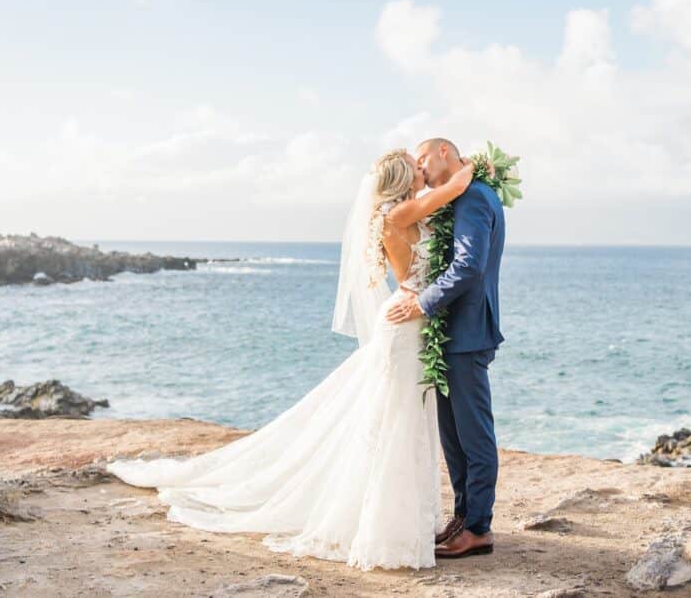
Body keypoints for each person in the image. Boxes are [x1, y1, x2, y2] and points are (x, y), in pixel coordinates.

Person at [108, 148, 475, 570]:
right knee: (398, 422)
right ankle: (389, 532)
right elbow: (456, 186)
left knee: (409, 421)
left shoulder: (404, 211)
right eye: (416, 165)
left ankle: (408, 522)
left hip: (412, 322)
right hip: (405, 323)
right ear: (401, 178)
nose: (422, 169)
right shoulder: (398, 214)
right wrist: (481, 166)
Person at [386, 137, 506, 559]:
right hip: (450, 334)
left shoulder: (473, 196)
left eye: (421, 158)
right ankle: (462, 518)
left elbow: (469, 265)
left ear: (443, 153)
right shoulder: (462, 193)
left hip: (467, 331)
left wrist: (422, 302)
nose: (419, 168)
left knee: (473, 436)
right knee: (453, 437)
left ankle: (478, 528)